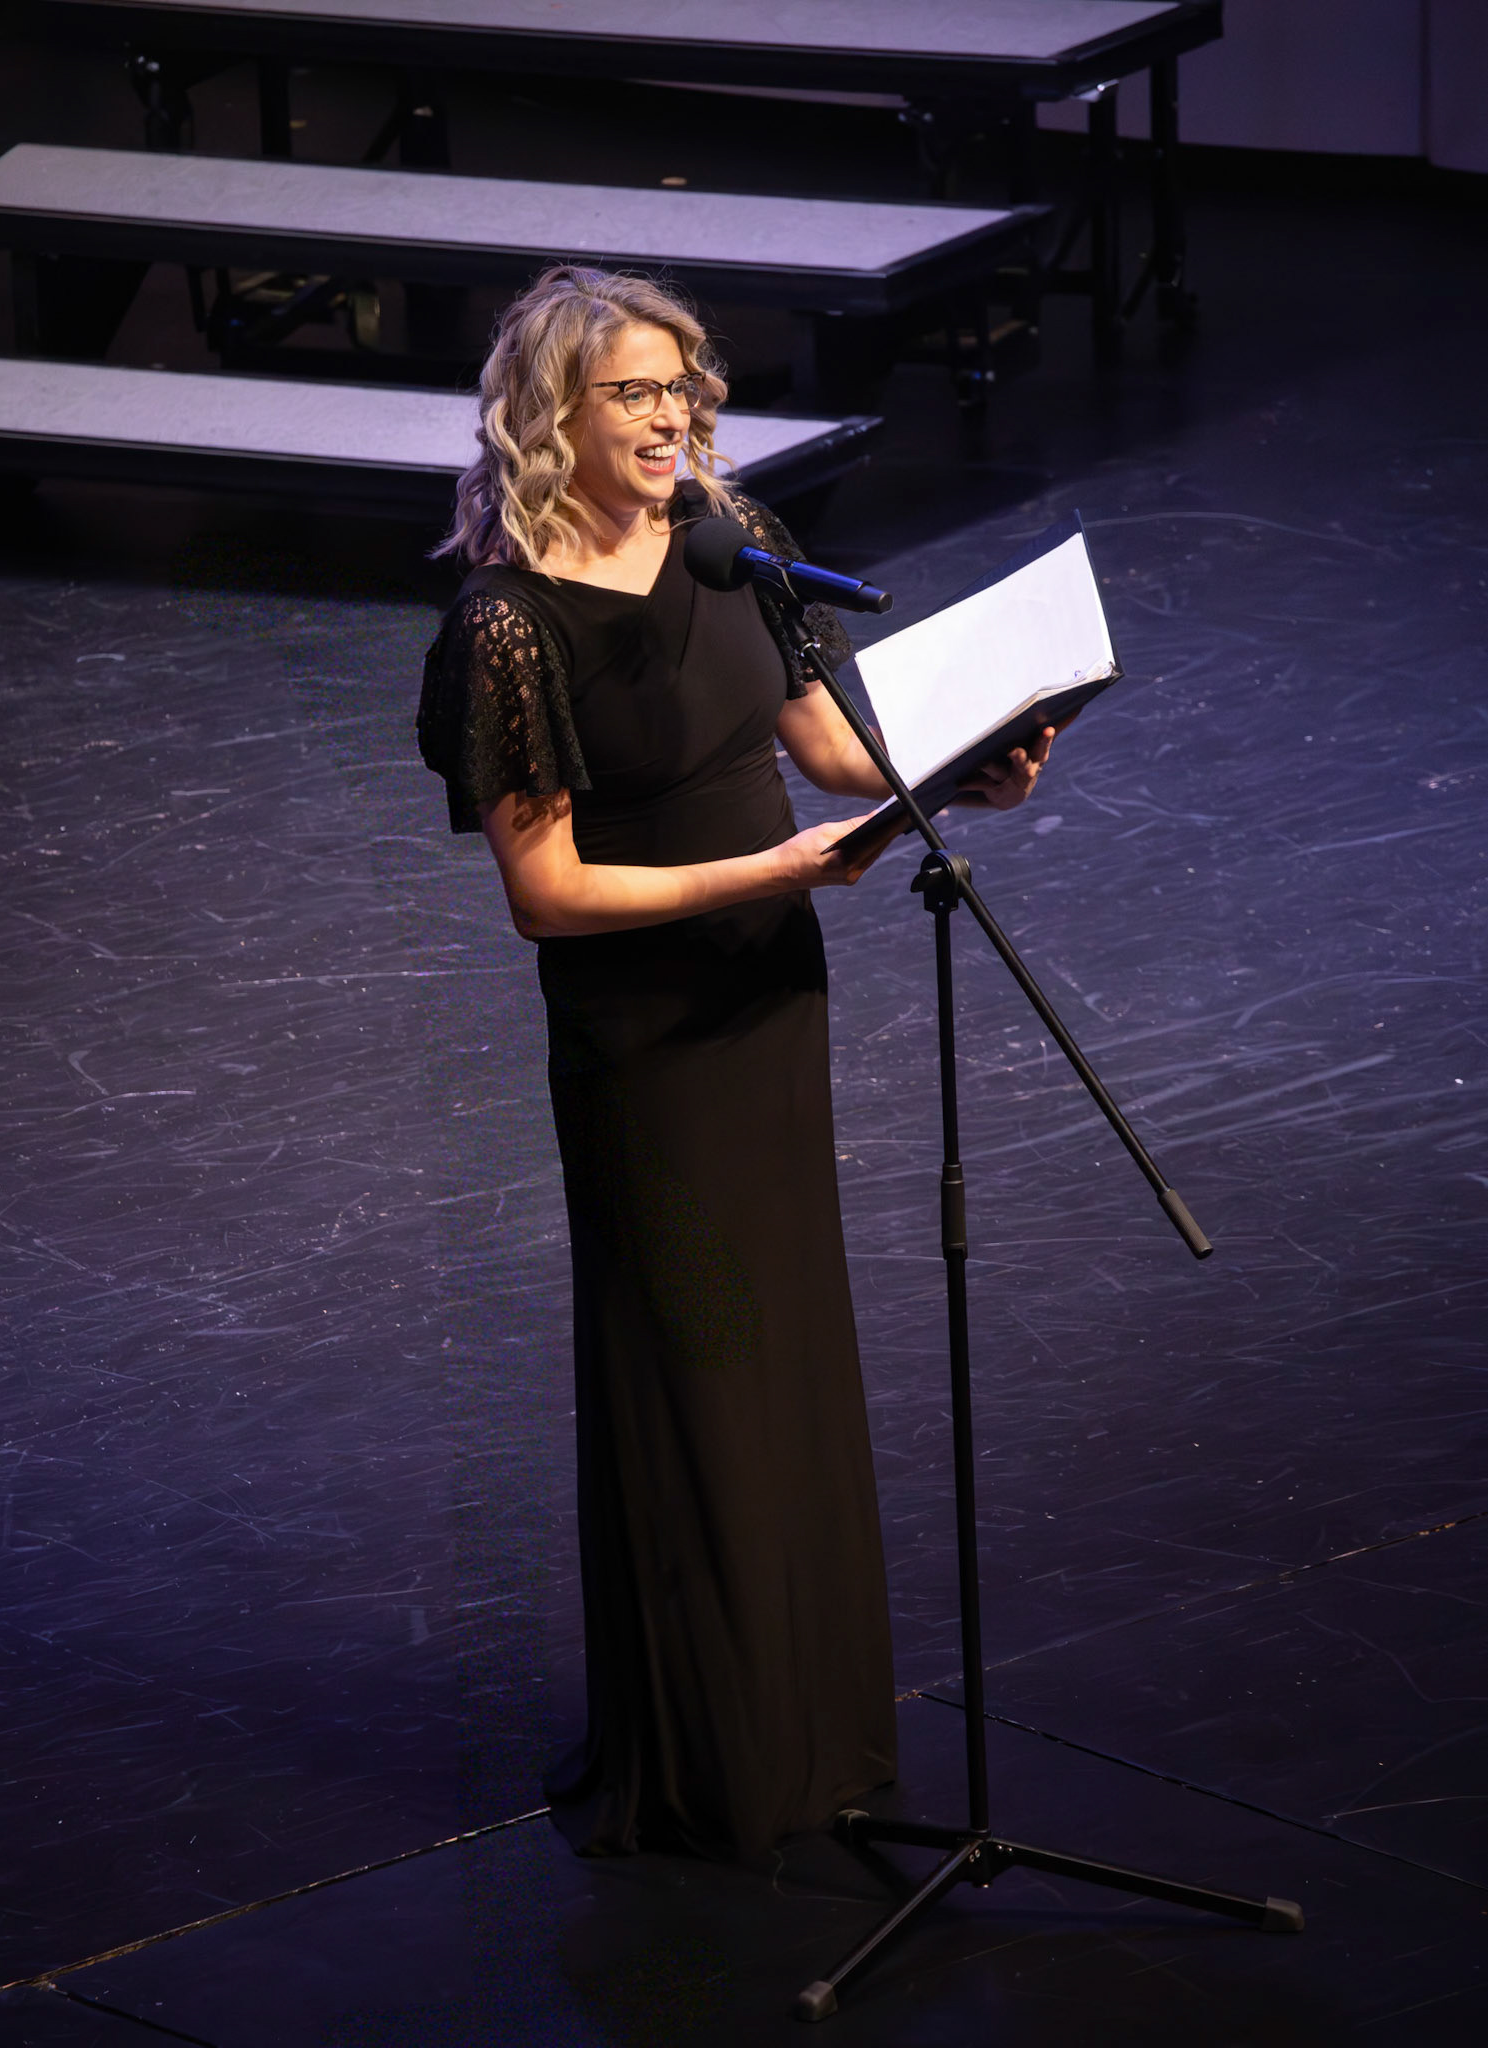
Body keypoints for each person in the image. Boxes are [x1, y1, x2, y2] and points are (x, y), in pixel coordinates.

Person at [421, 265, 1051, 1863]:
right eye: (634, 391)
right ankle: (709, 1756)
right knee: (694, 1366)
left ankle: (812, 1729)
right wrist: (763, 874)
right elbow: (545, 895)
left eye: (685, 386)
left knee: (787, 1359)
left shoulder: (735, 541)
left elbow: (835, 757)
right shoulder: (508, 625)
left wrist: (972, 775)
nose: (672, 416)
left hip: (769, 998)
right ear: (551, 412)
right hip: (646, 1035)